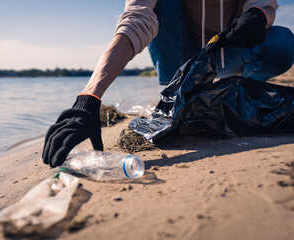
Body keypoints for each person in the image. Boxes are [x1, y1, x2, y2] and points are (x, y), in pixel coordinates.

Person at [42, 0, 294, 167]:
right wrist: (89, 98)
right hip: (185, 56)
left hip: (236, 45)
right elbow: (136, 19)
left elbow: (266, 4)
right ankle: (176, 97)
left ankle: (239, 95)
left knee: (282, 42)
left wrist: (258, 15)